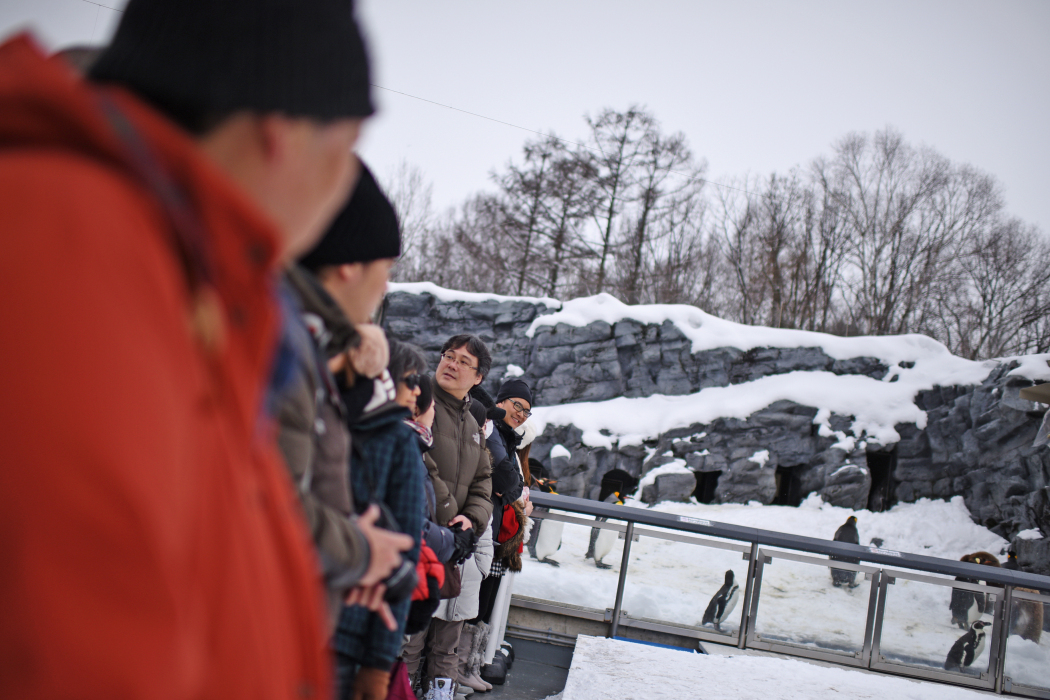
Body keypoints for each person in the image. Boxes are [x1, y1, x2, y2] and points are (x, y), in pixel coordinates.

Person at [0, 0, 381, 696]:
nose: (340, 190)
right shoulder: (73, 258)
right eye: (345, 150)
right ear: (283, 132)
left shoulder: (186, 283)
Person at [297, 169, 425, 700]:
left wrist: (378, 660)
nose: (386, 287)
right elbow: (269, 504)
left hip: (336, 632)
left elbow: (405, 547)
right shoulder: (291, 354)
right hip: (294, 625)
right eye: (385, 269)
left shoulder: (393, 438)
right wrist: (360, 548)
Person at [404, 334, 495, 697]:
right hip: (417, 538)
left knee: (445, 632)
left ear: (478, 377)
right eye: (448, 355)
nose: (451, 364)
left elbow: (484, 480)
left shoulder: (472, 422)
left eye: (463, 362)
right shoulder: (418, 402)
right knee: (408, 638)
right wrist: (450, 520)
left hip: (450, 544)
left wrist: (469, 521)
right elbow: (420, 462)